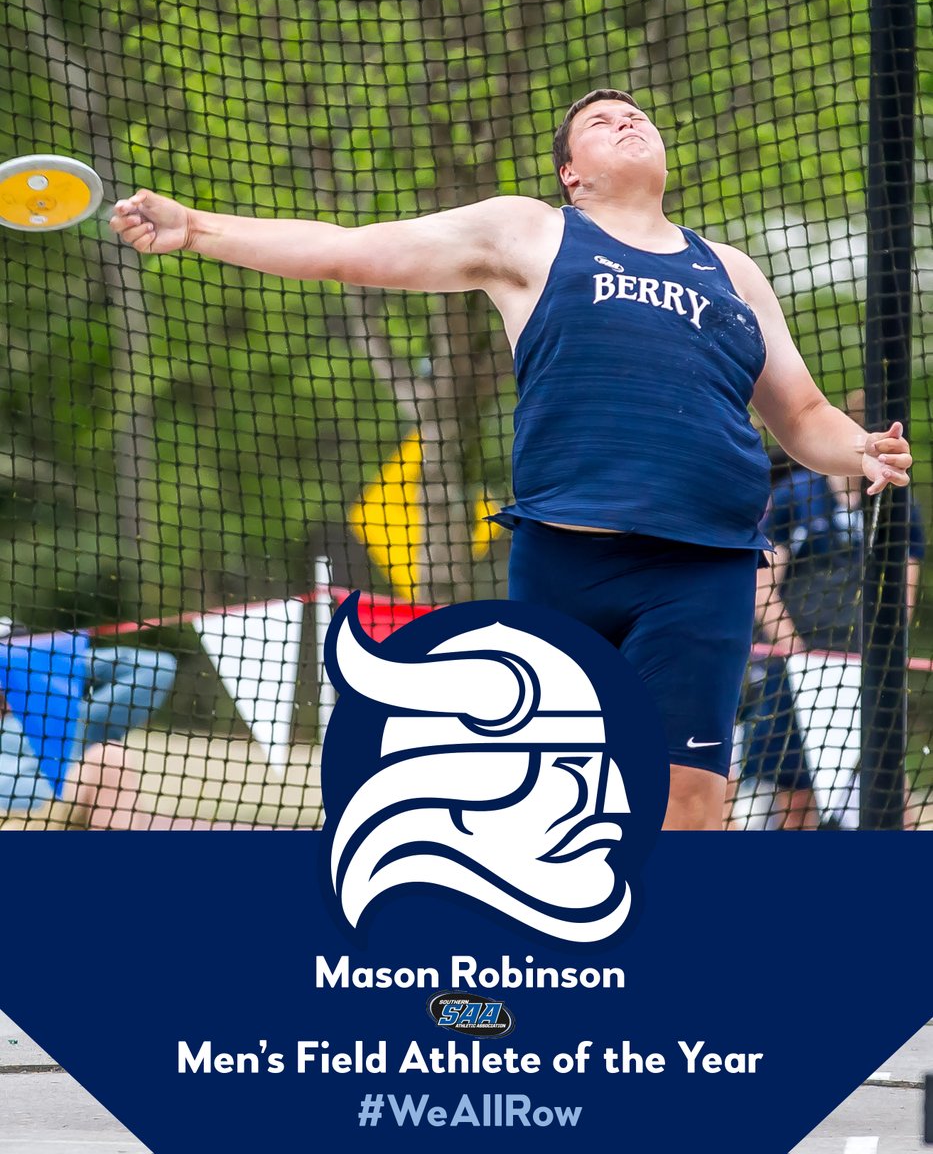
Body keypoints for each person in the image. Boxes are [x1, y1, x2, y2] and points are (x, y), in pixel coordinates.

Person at [109, 88, 912, 830]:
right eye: (600, 121)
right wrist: (200, 228)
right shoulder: (531, 231)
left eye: (636, 114)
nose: (626, 120)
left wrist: (860, 450)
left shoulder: (730, 270)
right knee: (548, 793)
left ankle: (667, 974)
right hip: (568, 557)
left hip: (703, 566)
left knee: (689, 796)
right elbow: (348, 248)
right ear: (571, 173)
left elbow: (803, 417)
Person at [735, 391, 924, 829]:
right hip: (796, 668)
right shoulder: (794, 496)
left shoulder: (900, 506)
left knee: (889, 793)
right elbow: (762, 582)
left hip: (863, 668)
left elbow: (904, 596)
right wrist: (796, 651)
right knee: (794, 797)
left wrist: (884, 653)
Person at [0, 631, 177, 821]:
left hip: (53, 819)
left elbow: (158, 667)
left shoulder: (75, 717)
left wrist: (63, 664)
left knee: (111, 756)